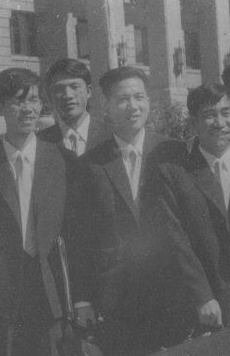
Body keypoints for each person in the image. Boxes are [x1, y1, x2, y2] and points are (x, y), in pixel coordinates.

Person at [0, 68, 90, 356]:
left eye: (34, 100)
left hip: (52, 295)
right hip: (1, 299)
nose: (28, 109)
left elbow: (77, 236)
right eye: (18, 101)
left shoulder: (63, 160)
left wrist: (81, 299)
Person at [154, 83, 230, 343]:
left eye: (226, 113)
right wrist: (201, 296)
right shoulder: (174, 174)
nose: (220, 122)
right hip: (203, 310)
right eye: (209, 115)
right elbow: (175, 240)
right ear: (193, 123)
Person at [80, 66, 185, 356]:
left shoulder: (175, 152)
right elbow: (82, 238)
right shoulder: (90, 165)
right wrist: (84, 299)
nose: (133, 106)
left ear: (148, 101)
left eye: (139, 97)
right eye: (123, 99)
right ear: (106, 106)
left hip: (172, 290)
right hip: (117, 298)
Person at [38, 58, 108, 156]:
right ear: (50, 96)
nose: (68, 95)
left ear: (88, 91)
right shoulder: (40, 142)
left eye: (75, 87)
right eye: (59, 89)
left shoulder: (111, 135)